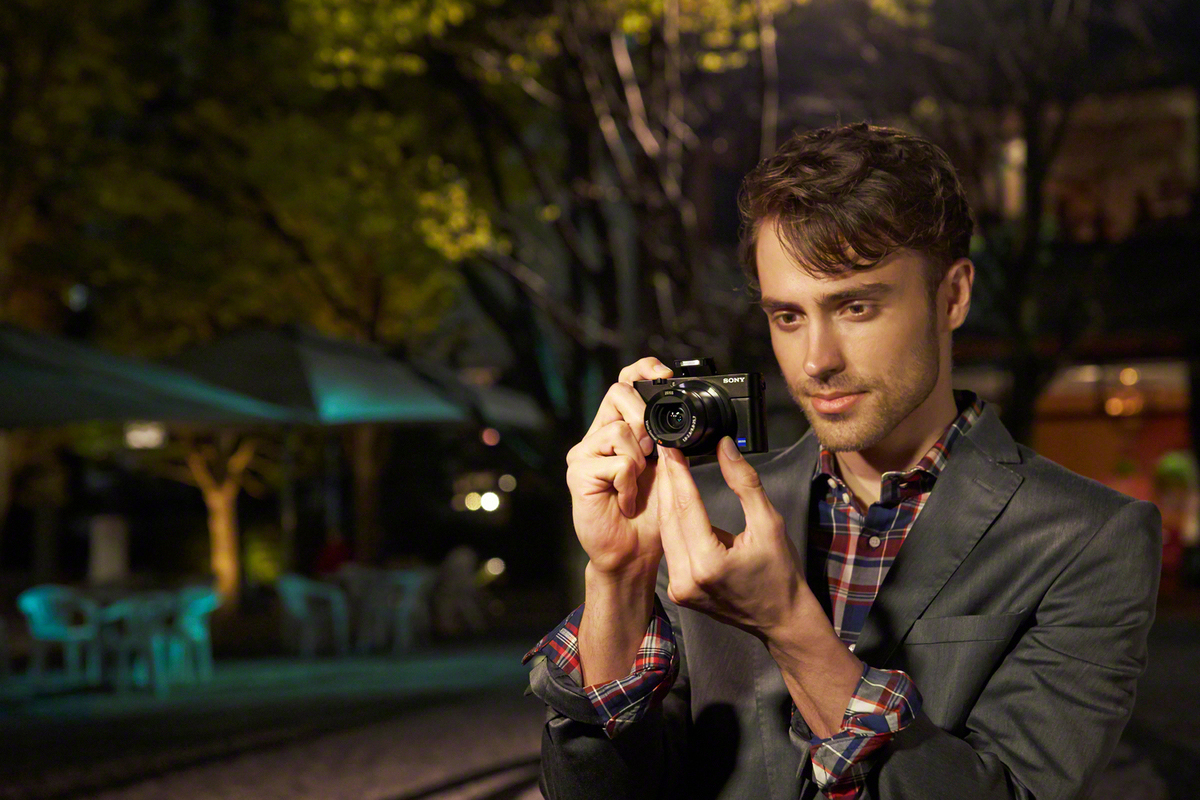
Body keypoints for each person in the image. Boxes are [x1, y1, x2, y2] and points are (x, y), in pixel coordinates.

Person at [523, 123, 1161, 800]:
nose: (817, 360)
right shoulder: (704, 518)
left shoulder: (1091, 537)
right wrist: (618, 576)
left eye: (855, 306)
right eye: (788, 316)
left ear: (953, 295)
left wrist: (790, 627)